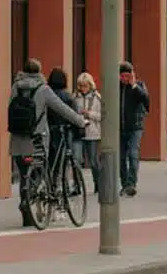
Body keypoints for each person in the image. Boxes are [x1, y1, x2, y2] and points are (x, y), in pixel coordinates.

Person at [8, 57, 86, 221]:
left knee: (25, 176)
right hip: (38, 138)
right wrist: (80, 121)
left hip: (18, 138)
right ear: (39, 71)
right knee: (38, 174)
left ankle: (26, 209)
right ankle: (35, 205)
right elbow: (62, 108)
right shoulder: (43, 89)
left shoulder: (16, 87)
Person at [117, 62, 151, 197]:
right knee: (121, 158)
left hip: (136, 127)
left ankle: (131, 184)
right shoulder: (116, 87)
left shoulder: (139, 86)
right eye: (123, 76)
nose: (125, 79)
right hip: (120, 127)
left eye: (128, 76)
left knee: (133, 153)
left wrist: (134, 85)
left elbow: (146, 100)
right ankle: (124, 184)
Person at [74, 72, 101, 172]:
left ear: (90, 85)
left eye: (85, 86)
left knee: (93, 161)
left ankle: (98, 181)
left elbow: (102, 116)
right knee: (76, 159)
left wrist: (89, 114)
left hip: (92, 133)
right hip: (79, 132)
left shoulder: (97, 97)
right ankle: (78, 180)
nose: (83, 88)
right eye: (81, 85)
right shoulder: (75, 97)